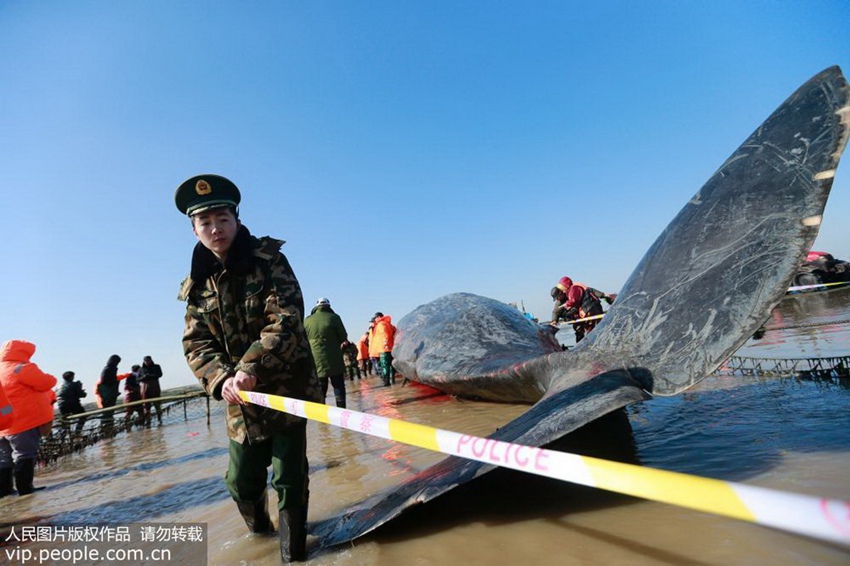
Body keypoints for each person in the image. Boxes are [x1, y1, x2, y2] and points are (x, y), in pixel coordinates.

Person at [175, 174, 322, 563]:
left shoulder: (268, 259)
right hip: (239, 398)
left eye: (222, 218)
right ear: (194, 229)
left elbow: (287, 317)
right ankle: (260, 537)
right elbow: (196, 343)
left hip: (287, 389)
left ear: (237, 220)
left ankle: (293, 554)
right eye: (204, 222)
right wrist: (222, 378)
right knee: (241, 481)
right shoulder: (196, 285)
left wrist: (252, 365)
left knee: (290, 478)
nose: (215, 228)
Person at [0, 340, 57, 496]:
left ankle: (4, 491)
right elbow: (47, 383)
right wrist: (52, 378)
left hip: (3, 424)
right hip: (23, 422)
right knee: (24, 454)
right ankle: (25, 488)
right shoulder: (20, 368)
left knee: (4, 458)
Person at [304, 298, 350, 408]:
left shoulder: (307, 320)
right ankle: (341, 412)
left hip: (316, 360)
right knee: (338, 386)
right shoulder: (334, 318)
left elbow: (303, 339)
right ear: (329, 306)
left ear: (316, 307)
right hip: (334, 359)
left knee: (320, 389)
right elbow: (343, 337)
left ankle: (322, 419)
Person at [550, 276, 616, 342]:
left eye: (558, 297)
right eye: (557, 298)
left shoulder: (575, 288)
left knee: (596, 329)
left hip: (586, 312)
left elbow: (592, 291)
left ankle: (599, 342)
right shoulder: (560, 301)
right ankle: (583, 343)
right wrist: (554, 320)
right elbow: (555, 311)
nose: (558, 299)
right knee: (580, 331)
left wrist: (604, 295)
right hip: (578, 317)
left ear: (562, 291)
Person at [96, 354, 123, 433]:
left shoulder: (112, 369)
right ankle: (105, 428)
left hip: (111, 392)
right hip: (107, 392)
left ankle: (108, 427)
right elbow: (104, 380)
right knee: (107, 411)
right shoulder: (108, 369)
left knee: (109, 411)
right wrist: (112, 385)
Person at [372, 312, 397, 386]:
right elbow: (394, 330)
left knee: (384, 365)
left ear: (379, 317)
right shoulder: (388, 324)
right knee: (391, 365)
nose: (375, 319)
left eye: (376, 318)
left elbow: (384, 334)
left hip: (384, 348)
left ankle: (386, 382)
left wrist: (385, 343)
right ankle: (392, 380)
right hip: (390, 347)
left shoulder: (381, 324)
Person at [138, 355, 163, 426]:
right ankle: (148, 421)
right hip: (145, 389)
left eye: (148, 361)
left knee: (157, 405)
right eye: (146, 361)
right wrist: (144, 377)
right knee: (146, 406)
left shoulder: (156, 366)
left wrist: (151, 376)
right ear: (144, 361)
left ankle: (160, 419)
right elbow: (137, 379)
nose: (147, 362)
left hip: (155, 388)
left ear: (151, 360)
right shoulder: (141, 369)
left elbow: (160, 374)